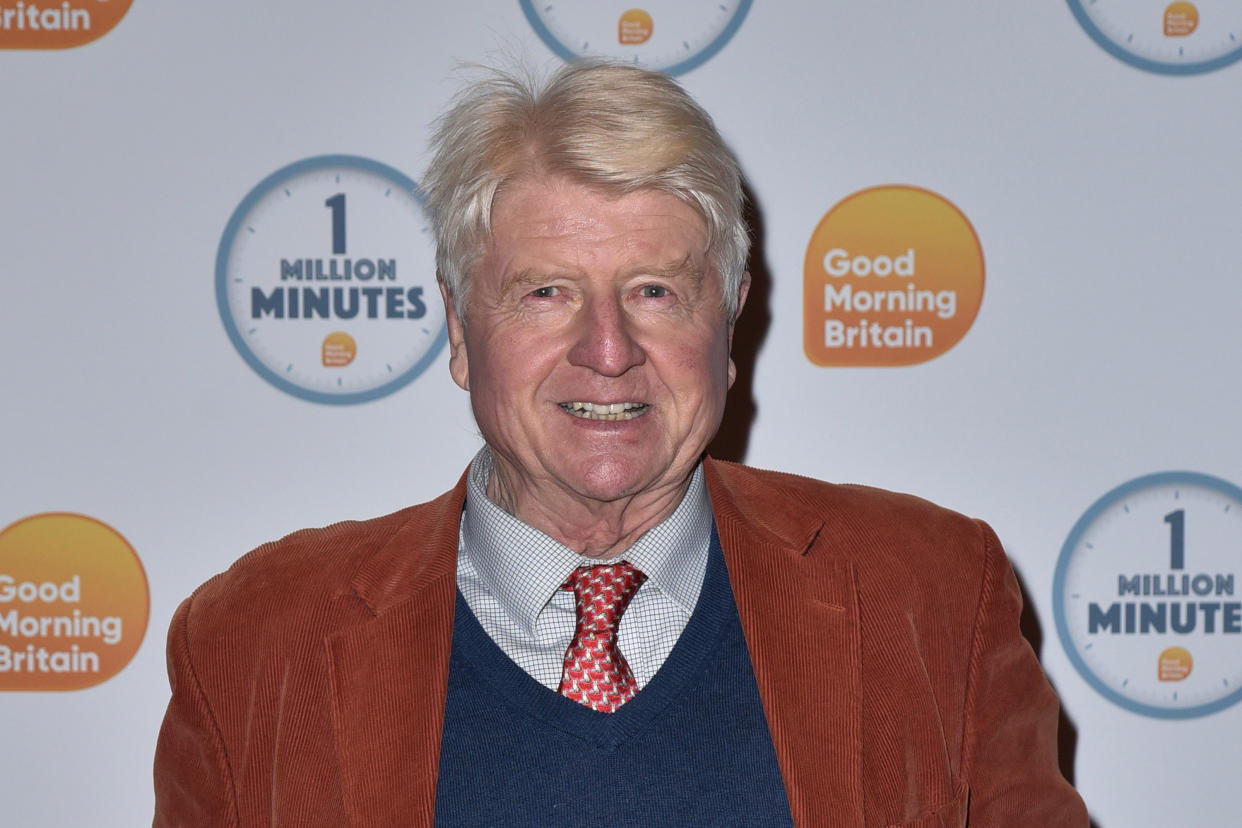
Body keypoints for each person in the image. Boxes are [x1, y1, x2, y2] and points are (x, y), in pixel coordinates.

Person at [153, 61, 1087, 827]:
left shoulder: (928, 591)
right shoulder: (255, 638)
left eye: (654, 291)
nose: (607, 352)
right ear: (456, 330)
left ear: (728, 327)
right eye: (545, 292)